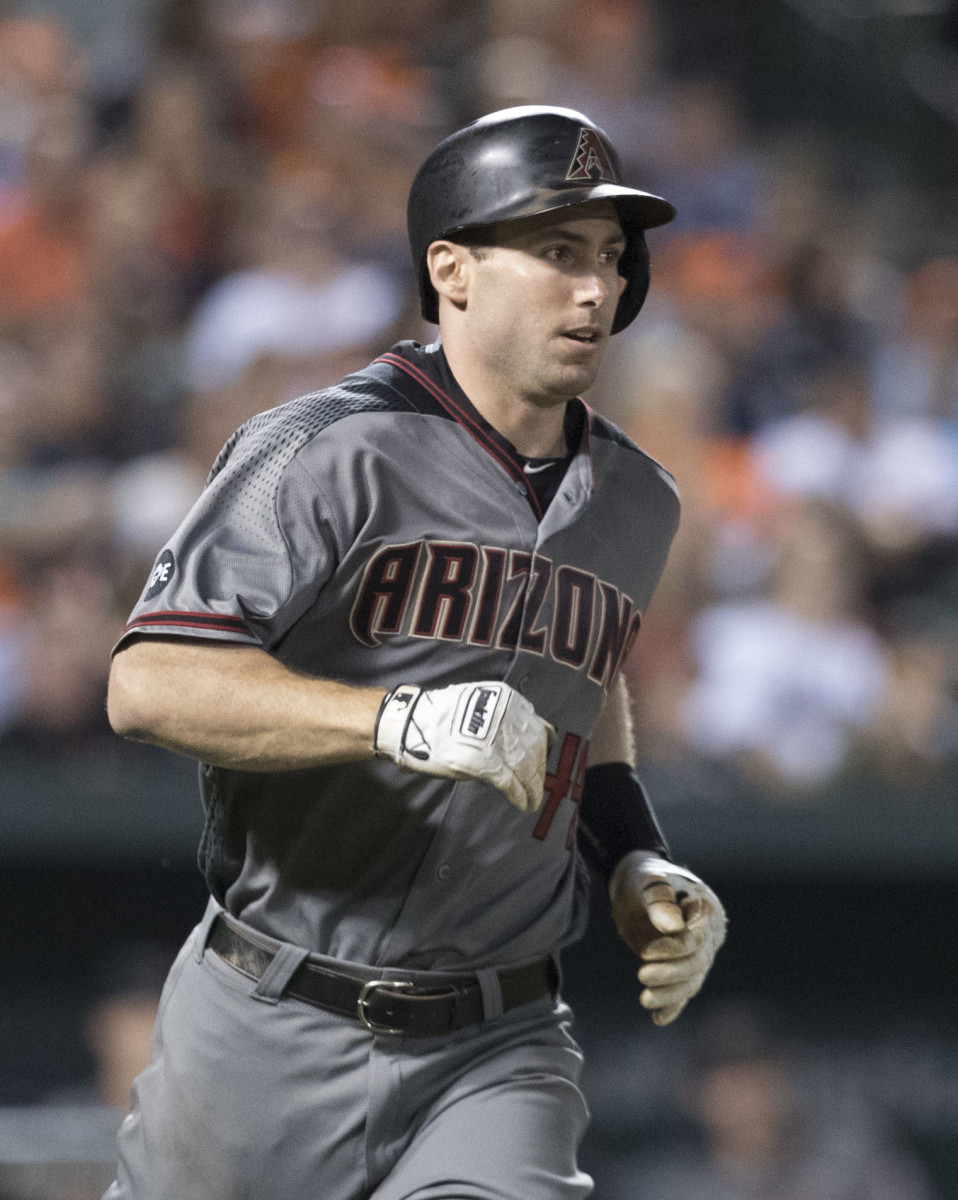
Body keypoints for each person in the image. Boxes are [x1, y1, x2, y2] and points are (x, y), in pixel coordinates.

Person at [103, 105, 726, 1200]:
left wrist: (631, 854)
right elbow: (148, 682)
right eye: (555, 253)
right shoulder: (321, 449)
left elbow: (589, 680)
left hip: (500, 1041)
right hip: (268, 1019)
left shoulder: (640, 499)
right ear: (452, 268)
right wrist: (386, 718)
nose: (597, 288)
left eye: (610, 258)